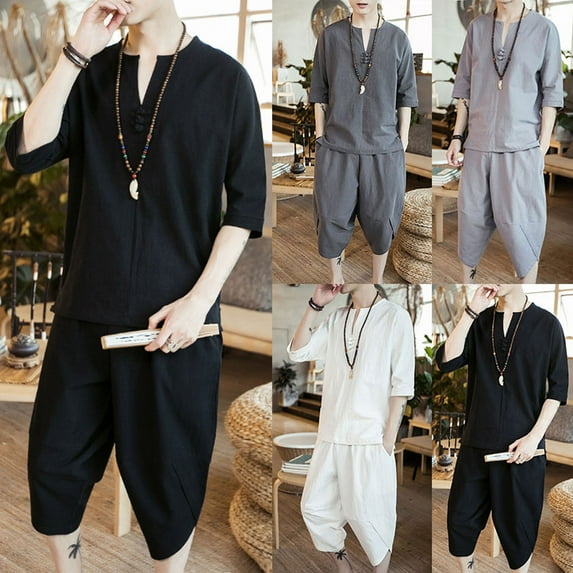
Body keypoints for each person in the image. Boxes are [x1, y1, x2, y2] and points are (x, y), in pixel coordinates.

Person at [4, 1, 266, 571]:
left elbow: (246, 208)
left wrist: (199, 304)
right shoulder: (90, 71)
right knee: (53, 469)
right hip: (83, 314)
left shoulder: (226, 80)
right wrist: (75, 53)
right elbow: (25, 153)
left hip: (175, 325)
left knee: (170, 484)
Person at [436, 284, 569, 572]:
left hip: (522, 450)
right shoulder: (479, 320)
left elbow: (558, 390)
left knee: (519, 532)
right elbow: (446, 362)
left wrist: (534, 439)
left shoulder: (548, 325)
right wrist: (471, 311)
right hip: (475, 444)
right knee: (460, 523)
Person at [288, 283, 414, 573]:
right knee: (314, 508)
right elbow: (298, 351)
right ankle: (344, 567)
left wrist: (387, 440)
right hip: (330, 435)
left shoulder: (395, 316)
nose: (337, 275)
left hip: (369, 439)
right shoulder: (336, 318)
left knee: (370, 518)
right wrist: (315, 304)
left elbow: (402, 384)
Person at [446, 0, 563, 283]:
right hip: (478, 145)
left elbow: (551, 93)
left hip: (521, 147)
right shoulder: (477, 28)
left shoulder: (544, 29)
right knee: (470, 222)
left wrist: (541, 149)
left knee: (523, 228)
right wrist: (457, 136)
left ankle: (527, 291)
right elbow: (464, 87)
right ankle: (468, 288)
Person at [309, 0, 418, 284]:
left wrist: (403, 138)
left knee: (382, 220)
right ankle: (336, 279)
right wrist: (320, 135)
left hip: (384, 148)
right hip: (336, 146)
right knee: (331, 218)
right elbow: (319, 90)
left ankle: (377, 280)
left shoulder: (398, 39)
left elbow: (406, 94)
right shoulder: (330, 37)